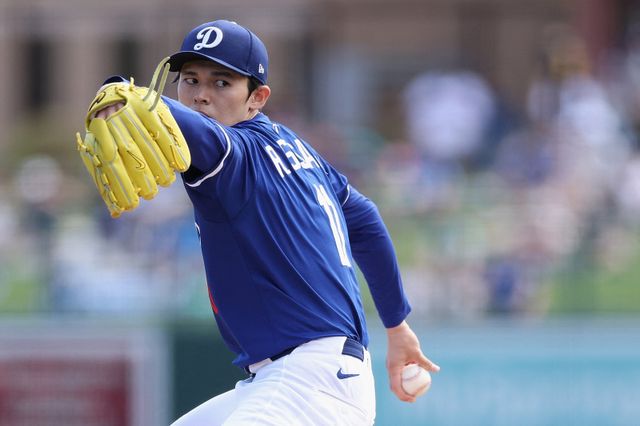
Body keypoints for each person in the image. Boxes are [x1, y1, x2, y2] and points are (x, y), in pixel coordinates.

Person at [96, 19, 439, 425]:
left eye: (221, 83)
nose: (201, 95)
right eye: (190, 80)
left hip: (308, 383)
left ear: (257, 97)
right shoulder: (298, 151)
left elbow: (191, 128)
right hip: (296, 379)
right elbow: (365, 220)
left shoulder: (232, 153)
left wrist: (125, 92)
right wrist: (397, 326)